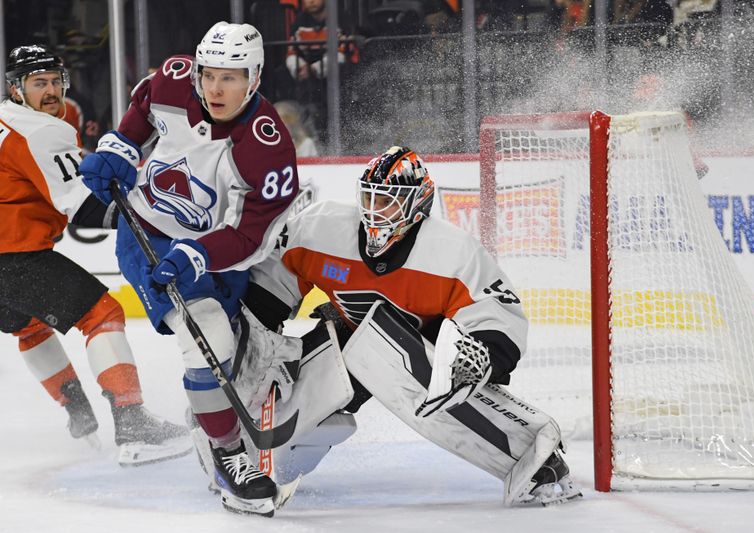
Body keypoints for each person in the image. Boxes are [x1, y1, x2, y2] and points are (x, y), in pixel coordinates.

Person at [246, 146, 582, 506]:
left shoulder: (452, 252)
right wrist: (259, 339)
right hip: (345, 335)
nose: (375, 213)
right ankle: (244, 457)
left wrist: (481, 355)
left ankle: (535, 457)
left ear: (418, 204)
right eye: (370, 199)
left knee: (417, 362)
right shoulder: (321, 228)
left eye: (388, 202)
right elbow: (270, 283)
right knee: (287, 406)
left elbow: (497, 311)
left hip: (424, 350)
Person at [78, 22, 299, 517]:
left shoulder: (268, 147)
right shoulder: (175, 79)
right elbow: (140, 111)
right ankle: (230, 458)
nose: (216, 88)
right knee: (208, 337)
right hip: (148, 239)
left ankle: (210, 415)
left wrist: (197, 254)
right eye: (210, 75)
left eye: (232, 78)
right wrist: (118, 149)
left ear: (256, 77)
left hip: (222, 253)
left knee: (239, 348)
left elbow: (251, 235)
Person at [0, 44, 191, 466]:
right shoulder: (40, 130)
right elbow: (85, 207)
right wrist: (155, 215)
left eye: (55, 81)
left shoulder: (8, 120)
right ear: (16, 89)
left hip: (7, 261)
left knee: (30, 329)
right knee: (103, 315)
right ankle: (132, 421)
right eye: (38, 84)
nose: (51, 91)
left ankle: (79, 414)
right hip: (12, 257)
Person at [285, 0, 359, 82]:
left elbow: (343, 53)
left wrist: (313, 69)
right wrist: (300, 68)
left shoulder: (340, 19)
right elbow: (291, 53)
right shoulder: (298, 23)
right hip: (307, 80)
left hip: (338, 79)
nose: (311, 1)